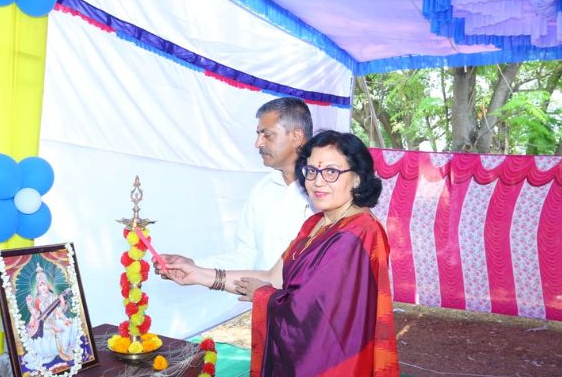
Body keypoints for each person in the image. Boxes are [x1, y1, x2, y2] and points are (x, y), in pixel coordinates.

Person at [163, 130, 399, 376]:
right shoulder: (317, 223)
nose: (318, 182)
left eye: (331, 172)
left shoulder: (359, 232)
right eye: (311, 171)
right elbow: (273, 278)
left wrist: (264, 295)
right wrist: (197, 273)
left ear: (357, 178)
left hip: (333, 363)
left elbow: (316, 312)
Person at [160, 97, 315, 271]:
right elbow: (245, 258)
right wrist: (194, 266)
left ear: (296, 137)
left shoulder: (325, 190)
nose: (258, 143)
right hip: (263, 290)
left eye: (267, 135)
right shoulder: (262, 190)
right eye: (258, 135)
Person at [22, 263, 82, 372]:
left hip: (56, 320)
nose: (43, 287)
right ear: (37, 288)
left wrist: (62, 305)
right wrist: (29, 305)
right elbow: (35, 315)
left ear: (48, 285)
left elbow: (59, 311)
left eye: (44, 285)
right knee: (49, 335)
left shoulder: (54, 296)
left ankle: (64, 350)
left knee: (69, 326)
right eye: (40, 286)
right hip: (44, 325)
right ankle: (61, 350)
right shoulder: (37, 300)